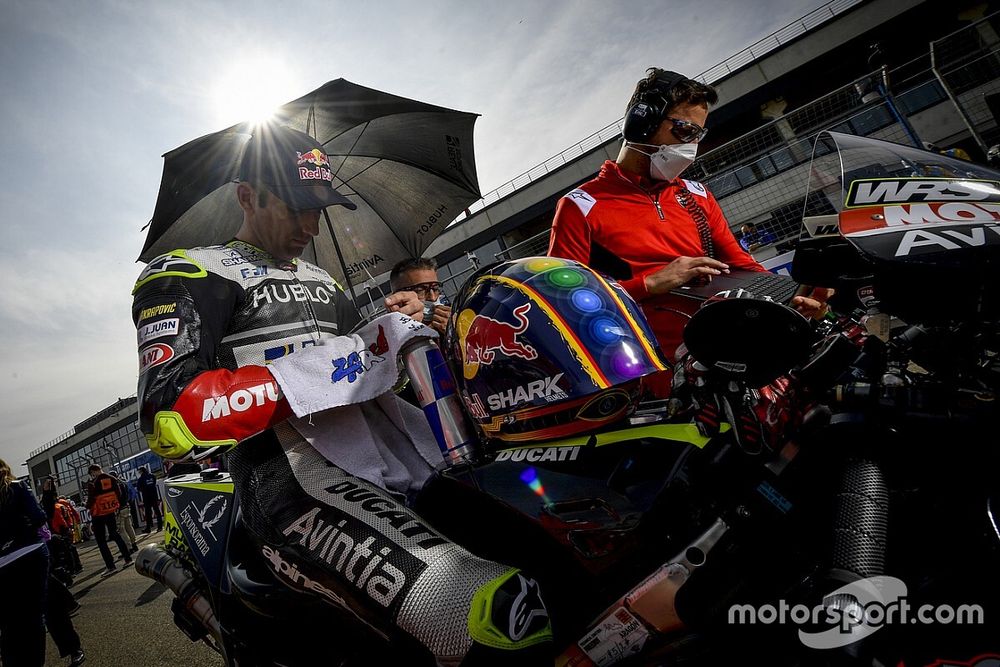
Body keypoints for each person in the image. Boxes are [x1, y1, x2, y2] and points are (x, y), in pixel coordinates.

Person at [131, 124, 552, 664]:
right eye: (295, 206)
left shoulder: (324, 282)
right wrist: (322, 370)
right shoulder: (189, 272)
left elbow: (381, 375)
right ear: (247, 196)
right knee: (499, 615)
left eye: (320, 207)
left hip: (395, 451)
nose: (310, 223)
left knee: (554, 551)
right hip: (285, 475)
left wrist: (396, 335)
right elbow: (169, 415)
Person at [547, 68, 830, 361]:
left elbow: (742, 265)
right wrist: (652, 283)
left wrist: (793, 295)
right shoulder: (579, 205)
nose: (691, 146)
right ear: (640, 123)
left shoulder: (697, 193)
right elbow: (565, 305)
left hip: (731, 346)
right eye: (685, 131)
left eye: (698, 134)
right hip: (652, 365)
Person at [0, 457, 50, 666]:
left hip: (3, 563)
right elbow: (39, 517)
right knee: (33, 615)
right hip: (31, 551)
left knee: (8, 621)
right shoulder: (18, 486)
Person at [85, 464, 132, 576]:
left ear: (93, 471)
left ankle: (111, 566)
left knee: (101, 541)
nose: (92, 476)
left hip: (98, 514)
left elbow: (91, 499)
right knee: (115, 533)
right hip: (110, 510)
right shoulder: (112, 479)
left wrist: (87, 505)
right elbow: (119, 494)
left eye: (92, 474)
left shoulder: (93, 483)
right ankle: (128, 558)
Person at [389, 257, 451, 336]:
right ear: (397, 296)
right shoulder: (391, 339)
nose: (432, 297)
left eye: (435, 288)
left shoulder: (454, 321)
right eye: (420, 290)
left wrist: (456, 333)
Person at [114, 473, 139, 553]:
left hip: (120, 509)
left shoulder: (115, 485)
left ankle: (129, 547)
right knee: (129, 527)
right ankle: (134, 543)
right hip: (127, 506)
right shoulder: (124, 483)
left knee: (121, 530)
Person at [136, 466, 163, 532]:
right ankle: (160, 527)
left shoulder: (141, 479)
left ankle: (148, 528)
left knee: (148, 513)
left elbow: (138, 488)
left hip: (147, 497)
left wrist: (144, 489)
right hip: (154, 496)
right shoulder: (152, 476)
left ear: (141, 471)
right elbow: (154, 483)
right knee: (157, 511)